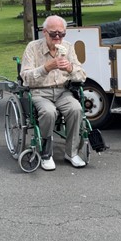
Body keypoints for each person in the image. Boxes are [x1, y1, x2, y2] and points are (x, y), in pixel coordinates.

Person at [20, 15, 87, 171]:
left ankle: (71, 153)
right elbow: (25, 78)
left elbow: (82, 75)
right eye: (53, 34)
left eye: (61, 34)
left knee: (76, 109)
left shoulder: (68, 47)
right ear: (44, 32)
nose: (58, 37)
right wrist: (46, 68)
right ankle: (46, 153)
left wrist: (70, 68)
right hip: (39, 92)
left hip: (63, 91)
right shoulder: (33, 47)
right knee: (49, 112)